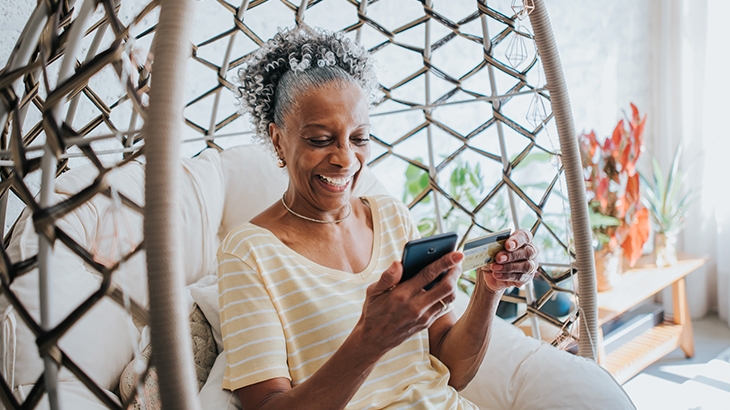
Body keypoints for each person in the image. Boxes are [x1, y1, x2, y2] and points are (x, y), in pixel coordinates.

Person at [217, 26, 539, 410]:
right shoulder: (249, 253)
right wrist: (371, 340)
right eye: (320, 139)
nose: (345, 159)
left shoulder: (390, 216)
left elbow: (452, 368)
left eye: (359, 138)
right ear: (277, 140)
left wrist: (490, 288)